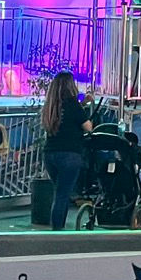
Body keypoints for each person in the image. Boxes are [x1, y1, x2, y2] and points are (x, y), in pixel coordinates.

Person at [40, 72, 93, 230]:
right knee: (63, 194)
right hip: (70, 154)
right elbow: (88, 127)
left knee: (59, 192)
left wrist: (82, 102)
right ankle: (57, 229)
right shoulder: (73, 104)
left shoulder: (51, 106)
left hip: (50, 154)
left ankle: (57, 226)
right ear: (70, 86)